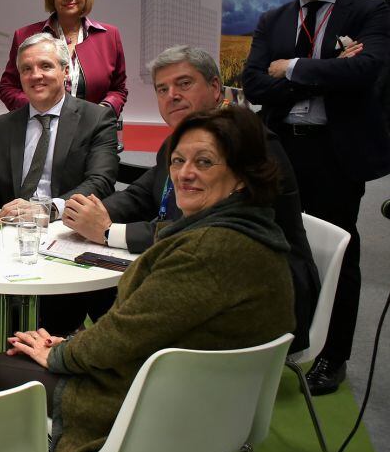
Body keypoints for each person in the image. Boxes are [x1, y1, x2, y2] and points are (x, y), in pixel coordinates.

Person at [0, 106, 296, 452]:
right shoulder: (253, 229)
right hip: (221, 404)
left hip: (164, 406)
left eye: (205, 162)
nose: (184, 174)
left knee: (0, 366)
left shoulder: (207, 250)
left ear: (242, 175)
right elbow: (143, 326)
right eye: (178, 161)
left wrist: (60, 354)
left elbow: (122, 336)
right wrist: (71, 346)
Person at [62, 45, 319, 350]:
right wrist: (86, 213)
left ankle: (101, 358)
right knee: (90, 281)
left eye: (184, 84)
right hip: (198, 270)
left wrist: (106, 231)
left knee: (116, 291)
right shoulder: (179, 142)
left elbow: (199, 234)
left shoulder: (250, 145)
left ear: (213, 87)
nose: (172, 95)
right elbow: (141, 194)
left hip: (252, 296)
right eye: (162, 89)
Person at [241, 0, 390, 395]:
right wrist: (329, 72)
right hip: (279, 148)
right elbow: (254, 85)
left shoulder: (370, 12)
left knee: (337, 253)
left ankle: (333, 355)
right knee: (276, 244)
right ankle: (279, 338)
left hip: (336, 152)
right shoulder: (275, 19)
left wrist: (294, 68)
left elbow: (367, 71)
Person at [0, 33, 119, 334]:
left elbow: (101, 181)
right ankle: (20, 341)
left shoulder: (96, 119)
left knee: (64, 304)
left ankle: (45, 344)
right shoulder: (1, 127)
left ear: (66, 72)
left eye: (45, 66)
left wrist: (49, 209)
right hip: (11, 238)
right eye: (26, 69)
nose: (35, 75)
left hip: (68, 234)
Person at [0, 0, 127, 115]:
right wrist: (37, 109)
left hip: (93, 131)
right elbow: (7, 87)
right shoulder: (25, 36)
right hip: (42, 127)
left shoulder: (109, 36)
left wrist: (101, 113)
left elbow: (118, 89)